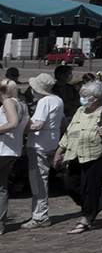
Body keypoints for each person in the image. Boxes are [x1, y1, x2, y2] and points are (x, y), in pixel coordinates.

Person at [53, 80, 102, 234]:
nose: (82, 99)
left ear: (96, 97)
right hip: (75, 154)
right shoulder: (80, 111)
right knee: (71, 186)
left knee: (90, 188)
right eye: (81, 96)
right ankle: (92, 207)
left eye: (85, 96)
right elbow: (69, 133)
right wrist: (59, 152)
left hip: (95, 154)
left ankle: (86, 220)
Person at [23, 73, 64, 229]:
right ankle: (39, 213)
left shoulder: (44, 101)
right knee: (42, 177)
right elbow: (63, 121)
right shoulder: (58, 100)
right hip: (52, 140)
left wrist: (19, 129)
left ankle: (40, 216)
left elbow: (38, 125)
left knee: (38, 179)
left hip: (39, 144)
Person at [1, 77, 31, 234]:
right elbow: (26, 128)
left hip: (2, 148)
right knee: (1, 187)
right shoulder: (22, 104)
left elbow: (12, 124)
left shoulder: (8, 102)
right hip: (12, 149)